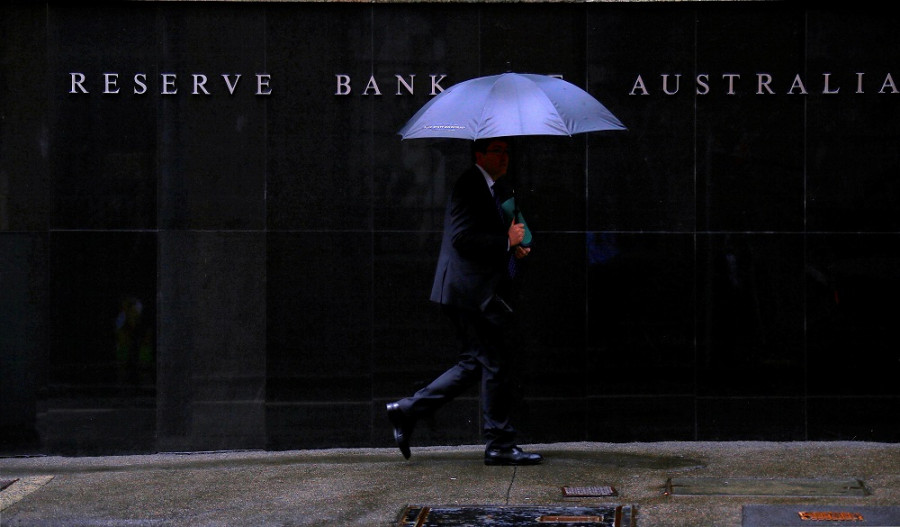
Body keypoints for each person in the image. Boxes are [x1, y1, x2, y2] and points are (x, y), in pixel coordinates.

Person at [386, 137, 542, 466]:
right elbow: (462, 238)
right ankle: (499, 444)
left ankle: (407, 410)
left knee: (476, 363)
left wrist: (514, 246)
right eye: (497, 151)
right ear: (479, 155)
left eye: (506, 151)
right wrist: (506, 242)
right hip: (468, 292)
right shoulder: (470, 184)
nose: (504, 157)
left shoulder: (494, 188)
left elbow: (497, 234)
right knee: (495, 362)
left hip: (473, 291)